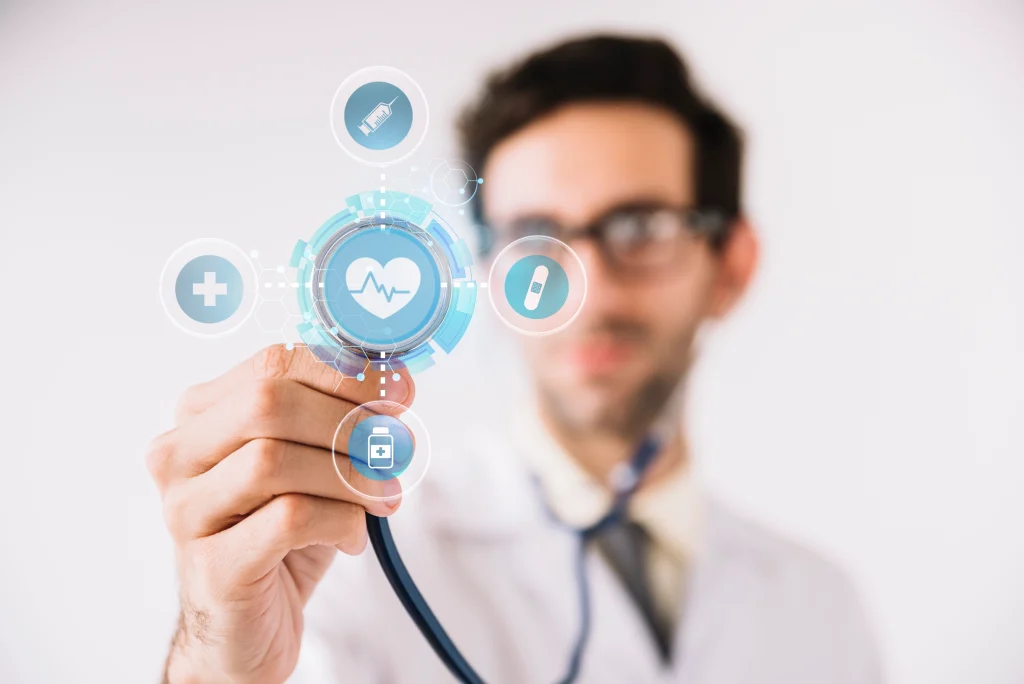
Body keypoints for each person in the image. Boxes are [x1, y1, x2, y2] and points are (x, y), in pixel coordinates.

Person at [147, 34, 884, 683]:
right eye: (536, 236)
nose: (584, 292)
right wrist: (216, 667)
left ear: (731, 267)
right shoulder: (340, 564)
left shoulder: (819, 607)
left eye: (641, 225)